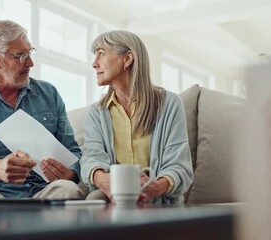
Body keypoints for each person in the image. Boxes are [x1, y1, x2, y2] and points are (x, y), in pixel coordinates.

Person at [0, 20, 85, 200]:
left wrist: (71, 173)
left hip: (43, 192)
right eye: (20, 56)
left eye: (30, 52)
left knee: (69, 190)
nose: (30, 63)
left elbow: (72, 150)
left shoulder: (48, 93)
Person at [80, 30, 194, 204]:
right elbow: (92, 158)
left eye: (101, 54)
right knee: (94, 199)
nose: (94, 64)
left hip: (160, 203)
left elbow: (178, 166)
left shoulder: (169, 103)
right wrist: (102, 180)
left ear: (127, 58)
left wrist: (154, 188)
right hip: (115, 201)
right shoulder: (96, 113)